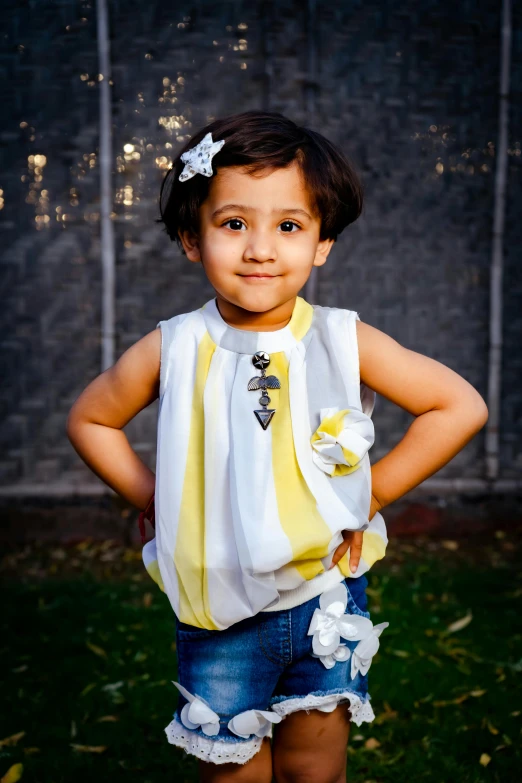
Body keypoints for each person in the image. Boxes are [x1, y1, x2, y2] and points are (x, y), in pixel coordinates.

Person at [67, 111, 488, 783]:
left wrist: (372, 491)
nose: (261, 248)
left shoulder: (342, 339)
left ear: (321, 242)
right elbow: (91, 418)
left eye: (289, 226)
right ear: (190, 238)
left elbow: (458, 404)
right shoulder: (174, 345)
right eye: (234, 224)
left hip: (322, 594)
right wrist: (155, 496)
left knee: (314, 768)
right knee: (233, 771)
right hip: (219, 612)